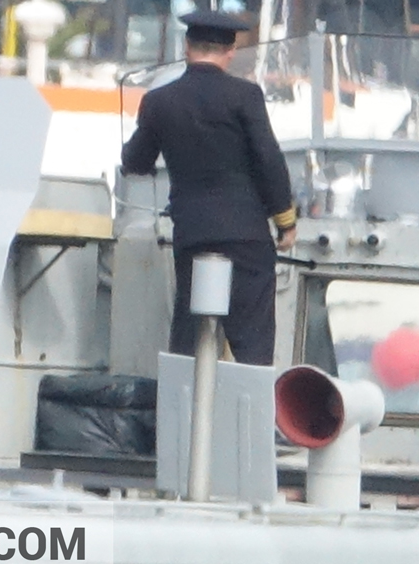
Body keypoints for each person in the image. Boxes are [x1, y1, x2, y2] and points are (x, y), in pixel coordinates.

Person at [120, 10, 298, 366]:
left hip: (194, 235)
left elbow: (135, 162)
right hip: (246, 235)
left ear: (187, 46)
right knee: (252, 345)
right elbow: (268, 158)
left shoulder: (158, 101)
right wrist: (285, 220)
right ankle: (249, 419)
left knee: (189, 338)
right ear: (230, 51)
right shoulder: (245, 96)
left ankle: (184, 415)